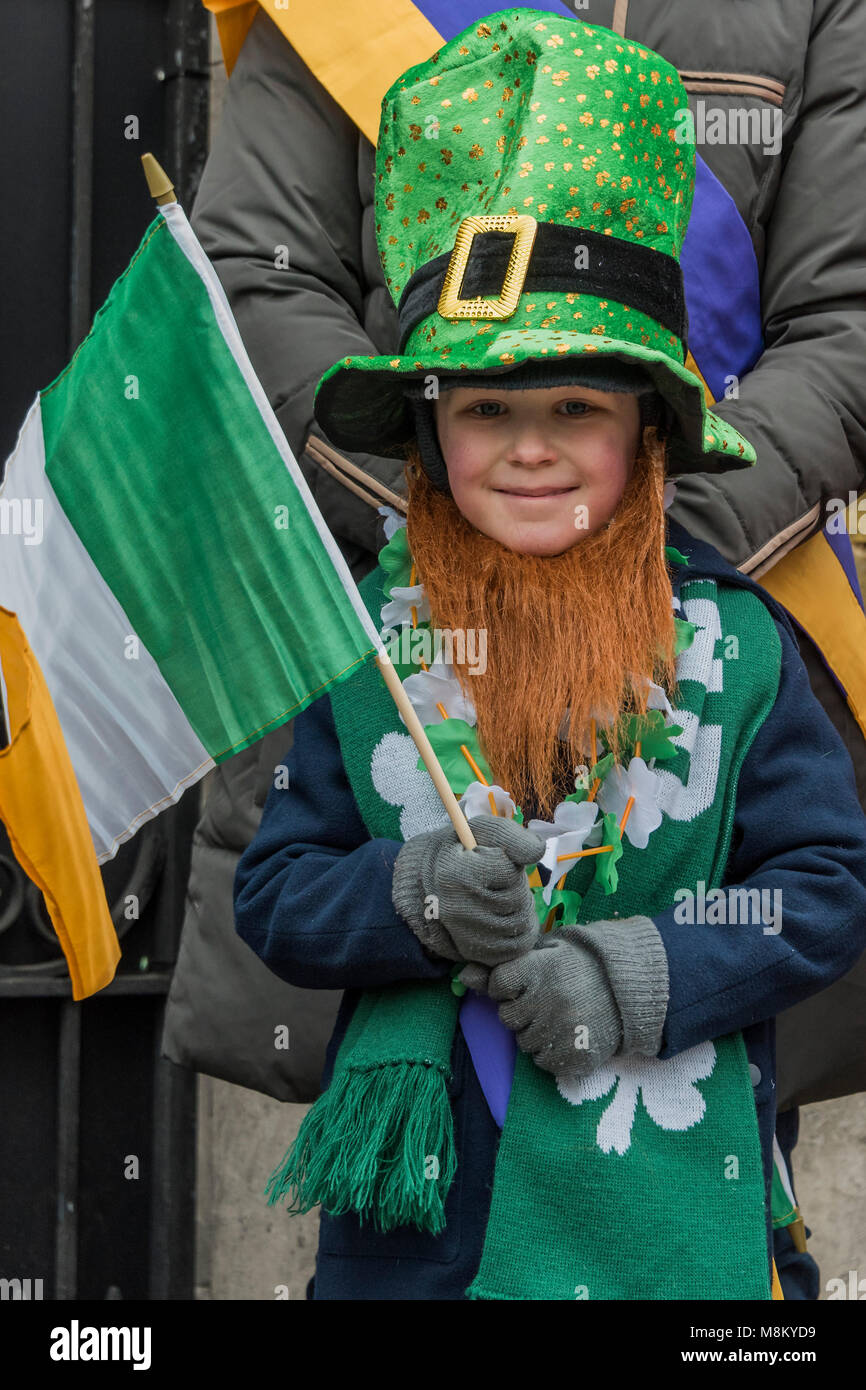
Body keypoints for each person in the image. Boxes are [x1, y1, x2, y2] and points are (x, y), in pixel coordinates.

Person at [231, 12, 866, 1299]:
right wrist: (407, 896)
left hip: (676, 1224)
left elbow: (821, 888)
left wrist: (641, 972)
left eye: (575, 405)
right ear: (423, 432)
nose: (529, 447)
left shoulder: (735, 647)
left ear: (648, 429)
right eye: (484, 410)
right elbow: (278, 889)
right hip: (420, 1244)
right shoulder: (369, 645)